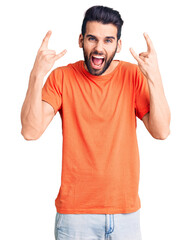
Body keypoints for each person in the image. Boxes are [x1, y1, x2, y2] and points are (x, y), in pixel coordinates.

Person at [20, 5, 171, 240]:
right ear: (81, 40)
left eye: (108, 40)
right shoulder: (62, 77)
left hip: (125, 214)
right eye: (92, 38)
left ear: (118, 45)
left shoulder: (133, 75)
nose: (99, 48)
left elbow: (161, 131)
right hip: (75, 217)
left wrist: (155, 76)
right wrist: (36, 74)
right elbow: (30, 131)